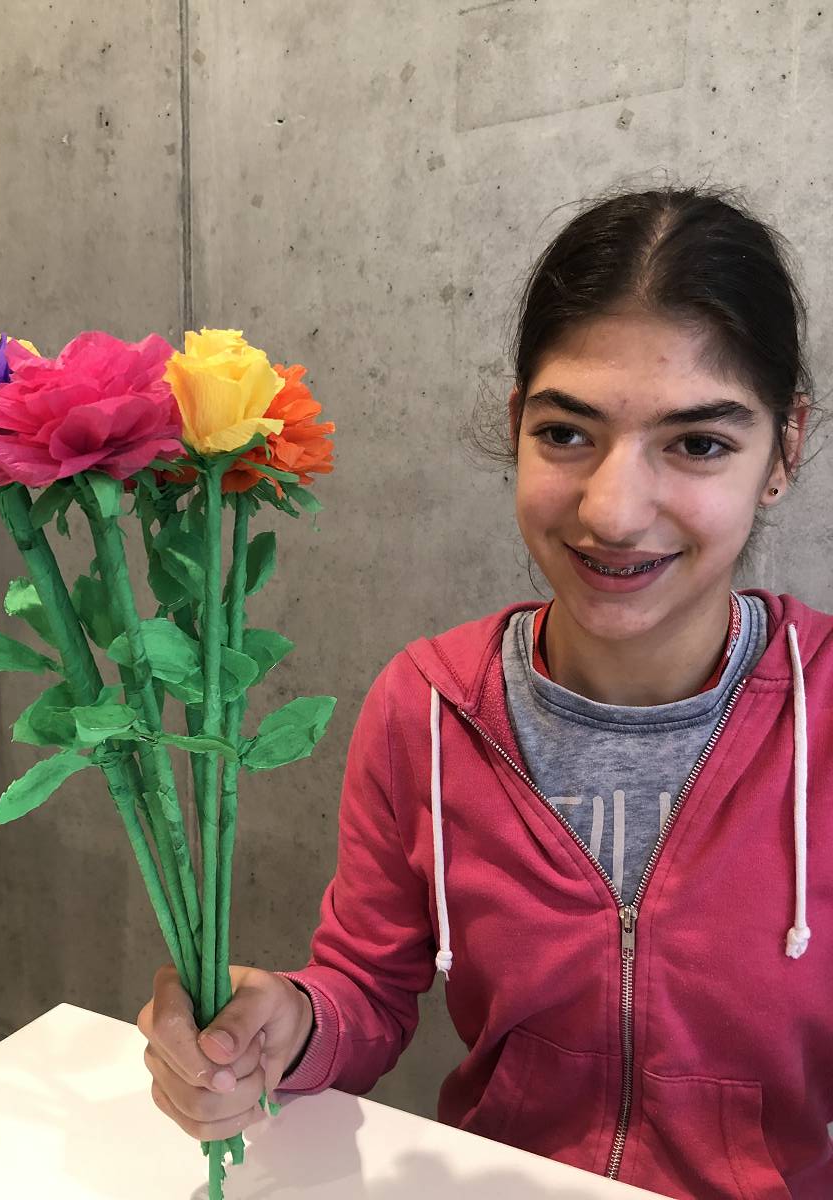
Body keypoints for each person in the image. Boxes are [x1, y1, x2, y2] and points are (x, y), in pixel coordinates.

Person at [137, 185, 833, 1199]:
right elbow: (367, 989)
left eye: (697, 444)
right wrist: (285, 1024)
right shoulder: (424, 707)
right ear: (516, 426)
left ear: (784, 450)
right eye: (566, 434)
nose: (613, 511)